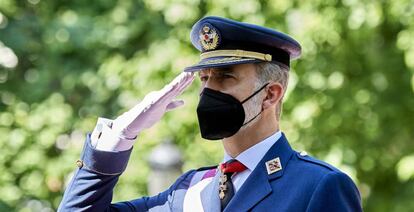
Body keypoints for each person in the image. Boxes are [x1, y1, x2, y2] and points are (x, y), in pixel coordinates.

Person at [59, 16, 362, 212]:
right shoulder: (189, 190)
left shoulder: (316, 186)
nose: (209, 91)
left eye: (225, 78)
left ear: (270, 94)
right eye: (205, 80)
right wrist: (116, 140)